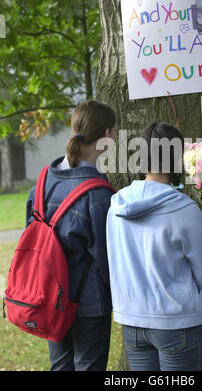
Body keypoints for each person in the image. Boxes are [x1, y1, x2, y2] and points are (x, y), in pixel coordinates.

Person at [106, 122, 202, 371]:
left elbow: (115, 259)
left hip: (133, 320)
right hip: (177, 320)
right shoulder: (184, 209)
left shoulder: (116, 207)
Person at [26, 100, 116, 371]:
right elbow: (105, 259)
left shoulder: (42, 183)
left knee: (61, 366)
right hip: (89, 303)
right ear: (108, 136)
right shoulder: (98, 194)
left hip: (49, 296)